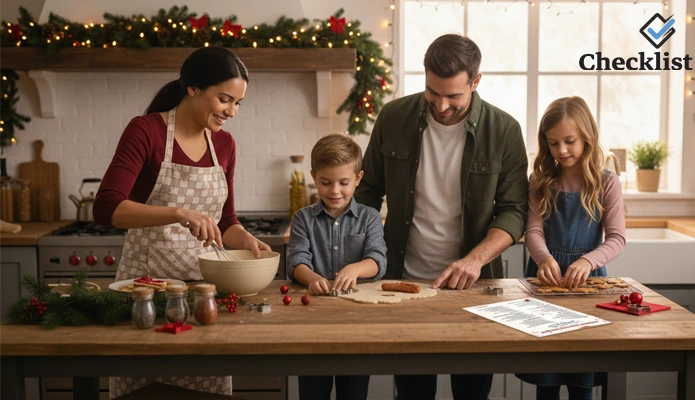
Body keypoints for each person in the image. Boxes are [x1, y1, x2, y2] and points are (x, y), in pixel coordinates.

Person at [354, 33, 528, 400]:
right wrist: (362, 255)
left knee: (471, 393)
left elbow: (514, 211)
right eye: (434, 92)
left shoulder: (505, 130)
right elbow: (367, 194)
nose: (442, 105)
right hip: (404, 284)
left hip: (474, 289)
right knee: (413, 393)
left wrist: (475, 259)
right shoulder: (394, 116)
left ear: (476, 82)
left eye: (454, 95)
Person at [93, 47, 270, 398]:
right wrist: (177, 213)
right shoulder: (146, 130)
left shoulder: (225, 145)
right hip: (146, 294)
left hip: (202, 297)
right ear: (192, 87)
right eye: (224, 99)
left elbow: (226, 220)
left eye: (238, 103)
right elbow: (106, 207)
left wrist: (246, 240)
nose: (231, 112)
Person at [516, 96, 626, 400]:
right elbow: (533, 230)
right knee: (546, 379)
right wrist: (543, 257)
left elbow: (617, 238)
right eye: (553, 143)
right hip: (544, 281)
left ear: (587, 138)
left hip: (589, 282)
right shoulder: (540, 181)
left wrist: (588, 261)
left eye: (569, 141)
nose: (561, 150)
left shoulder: (607, 183)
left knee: (583, 378)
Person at [286, 133, 387, 400]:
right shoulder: (302, 219)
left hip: (358, 326)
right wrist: (310, 278)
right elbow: (296, 261)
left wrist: (356, 268)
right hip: (311, 326)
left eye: (344, 182)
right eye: (325, 182)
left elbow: (378, 261)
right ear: (313, 176)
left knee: (353, 393)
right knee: (312, 392)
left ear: (358, 178)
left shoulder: (370, 217)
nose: (334, 191)